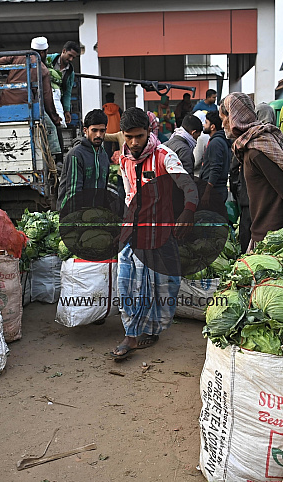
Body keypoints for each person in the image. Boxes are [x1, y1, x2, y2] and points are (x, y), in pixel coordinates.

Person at [111, 107, 197, 359]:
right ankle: (130, 334)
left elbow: (188, 186)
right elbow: (129, 194)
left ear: (148, 132)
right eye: (129, 137)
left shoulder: (164, 156)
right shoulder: (124, 159)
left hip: (160, 233)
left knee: (164, 285)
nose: (134, 142)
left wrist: (188, 211)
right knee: (128, 284)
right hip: (132, 232)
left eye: (139, 136)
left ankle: (152, 329)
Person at [219, 92, 283, 256]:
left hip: (274, 235)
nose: (222, 124)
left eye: (223, 118)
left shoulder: (256, 150)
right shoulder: (250, 145)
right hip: (264, 230)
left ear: (234, 117)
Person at [0, 37, 61, 157]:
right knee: (51, 127)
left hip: (4, 102)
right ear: (42, 52)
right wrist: (55, 118)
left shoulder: (18, 56)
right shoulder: (43, 69)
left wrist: (10, 73)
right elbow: (47, 98)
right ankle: (56, 157)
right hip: (25, 106)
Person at [230, 103, 275, 252]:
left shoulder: (247, 141)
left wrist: (239, 194)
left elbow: (234, 171)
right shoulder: (277, 140)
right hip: (269, 203)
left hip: (249, 200)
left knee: (248, 240)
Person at [57, 109, 110, 211]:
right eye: (94, 130)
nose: (98, 135)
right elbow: (73, 192)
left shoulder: (103, 155)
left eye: (102, 131)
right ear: (85, 130)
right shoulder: (76, 154)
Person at [201, 111, 232, 205]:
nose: (204, 125)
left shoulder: (216, 143)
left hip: (214, 191)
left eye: (206, 122)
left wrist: (207, 192)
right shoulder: (221, 140)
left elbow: (215, 169)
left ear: (212, 127)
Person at [47, 41, 80, 126]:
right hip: (44, 97)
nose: (71, 59)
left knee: (59, 123)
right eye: (70, 55)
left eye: (73, 57)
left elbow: (67, 92)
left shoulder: (70, 72)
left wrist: (66, 110)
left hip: (57, 99)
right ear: (64, 51)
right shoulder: (48, 60)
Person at [102, 92, 122, 157]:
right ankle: (117, 159)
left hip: (107, 131)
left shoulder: (104, 109)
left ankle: (108, 160)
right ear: (113, 99)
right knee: (118, 148)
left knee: (107, 149)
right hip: (117, 131)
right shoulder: (118, 109)